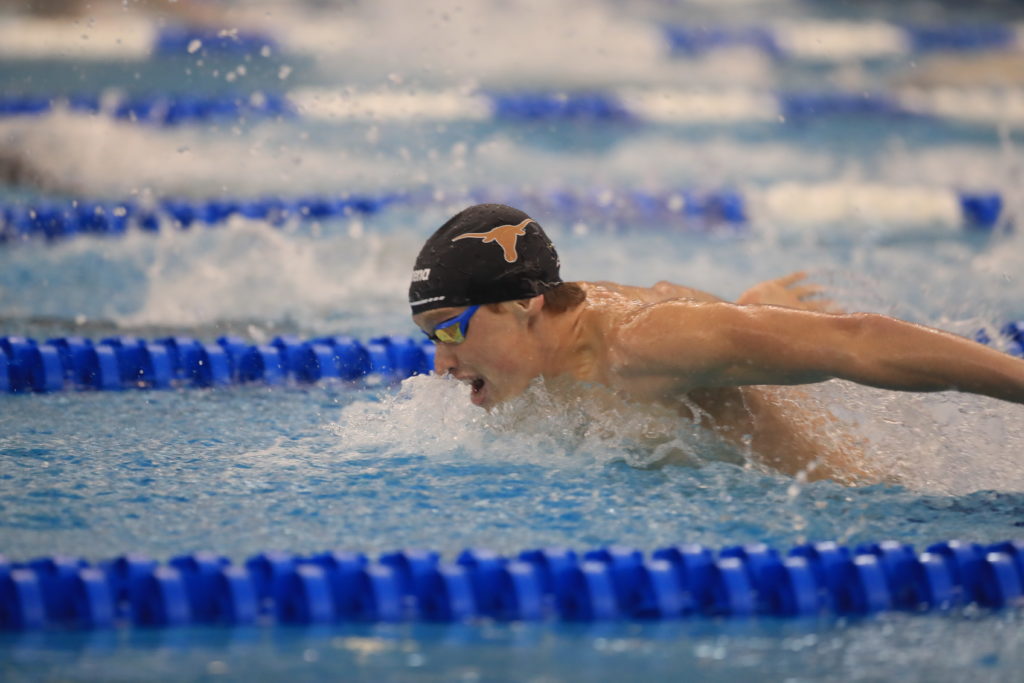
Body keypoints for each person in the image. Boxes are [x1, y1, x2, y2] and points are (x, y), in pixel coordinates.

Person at [409, 204, 1024, 482]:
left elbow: (858, 341)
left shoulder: (637, 347)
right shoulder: (543, 358)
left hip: (835, 500)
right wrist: (743, 315)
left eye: (451, 330)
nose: (441, 364)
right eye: (429, 338)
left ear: (524, 303)